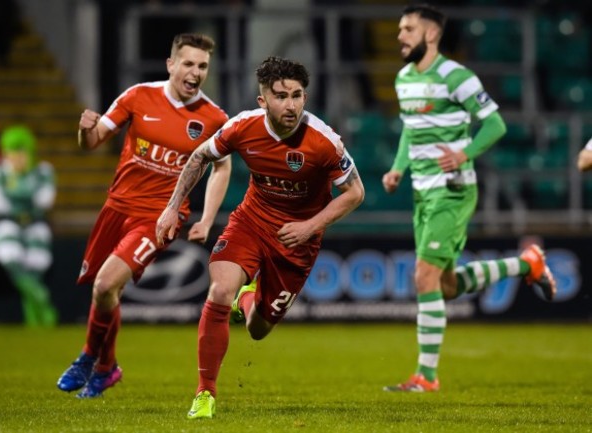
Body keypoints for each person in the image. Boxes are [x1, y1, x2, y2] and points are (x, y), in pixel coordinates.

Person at [156, 55, 365, 419]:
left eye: (298, 95)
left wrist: (310, 227)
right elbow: (199, 157)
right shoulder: (243, 127)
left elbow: (355, 192)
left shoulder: (324, 141)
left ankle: (249, 297)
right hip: (252, 221)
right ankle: (205, 394)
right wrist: (173, 207)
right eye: (281, 96)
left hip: (298, 239)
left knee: (258, 330)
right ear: (262, 100)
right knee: (220, 291)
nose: (291, 105)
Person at [381, 3, 557, 392]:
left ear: (431, 34)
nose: (400, 36)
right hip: (422, 193)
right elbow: (412, 130)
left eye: (408, 29)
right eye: (399, 29)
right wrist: (398, 167)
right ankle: (527, 264)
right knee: (444, 286)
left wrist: (463, 154)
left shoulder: (457, 77)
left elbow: (495, 124)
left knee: (423, 275)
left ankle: (426, 377)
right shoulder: (404, 79)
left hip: (454, 190)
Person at [56, 33, 231, 399]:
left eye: (202, 66)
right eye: (189, 64)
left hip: (160, 217)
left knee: (106, 284)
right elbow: (92, 142)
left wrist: (207, 217)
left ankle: (89, 357)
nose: (195, 72)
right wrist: (83, 129)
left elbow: (222, 167)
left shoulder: (214, 117)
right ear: (171, 64)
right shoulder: (138, 96)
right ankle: (107, 369)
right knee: (105, 293)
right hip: (116, 208)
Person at [0, 125, 57, 327]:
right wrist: (26, 197)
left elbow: (45, 201)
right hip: (7, 223)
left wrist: (17, 194)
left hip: (35, 224)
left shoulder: (42, 171)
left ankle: (34, 314)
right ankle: (40, 297)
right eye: (12, 152)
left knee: (37, 261)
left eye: (21, 152)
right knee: (9, 254)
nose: (17, 157)